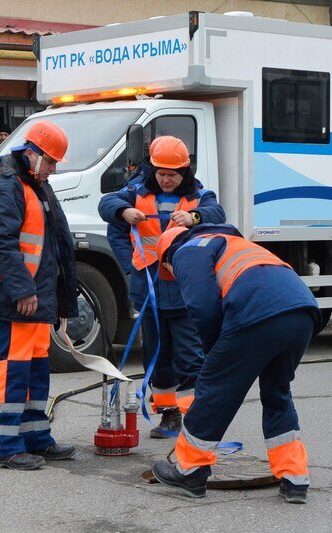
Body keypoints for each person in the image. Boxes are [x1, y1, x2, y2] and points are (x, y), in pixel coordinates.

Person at [150, 224, 321, 503]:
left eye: (169, 271)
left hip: (257, 311)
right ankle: (295, 478)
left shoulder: (187, 249)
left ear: (168, 255)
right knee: (277, 392)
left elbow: (201, 304)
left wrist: (213, 352)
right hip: (302, 311)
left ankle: (190, 470)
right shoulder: (232, 243)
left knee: (213, 390)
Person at [0, 120, 79, 470]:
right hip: (16, 297)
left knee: (34, 368)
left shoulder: (31, 183)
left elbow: (49, 246)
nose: (53, 170)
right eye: (51, 162)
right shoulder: (6, 184)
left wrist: (53, 298)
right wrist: (22, 290)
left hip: (31, 297)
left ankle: (35, 437)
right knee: (14, 369)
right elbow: (1, 242)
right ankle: (4, 446)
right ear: (32, 154)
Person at [98, 136, 225, 437]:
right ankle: (168, 414)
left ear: (185, 172)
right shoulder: (135, 192)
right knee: (157, 355)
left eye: (173, 174)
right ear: (152, 169)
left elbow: (217, 216)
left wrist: (195, 217)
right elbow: (107, 205)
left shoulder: (199, 196)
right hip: (150, 294)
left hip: (185, 294)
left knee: (191, 357)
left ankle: (195, 420)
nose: (166, 179)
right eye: (161, 173)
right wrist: (123, 214)